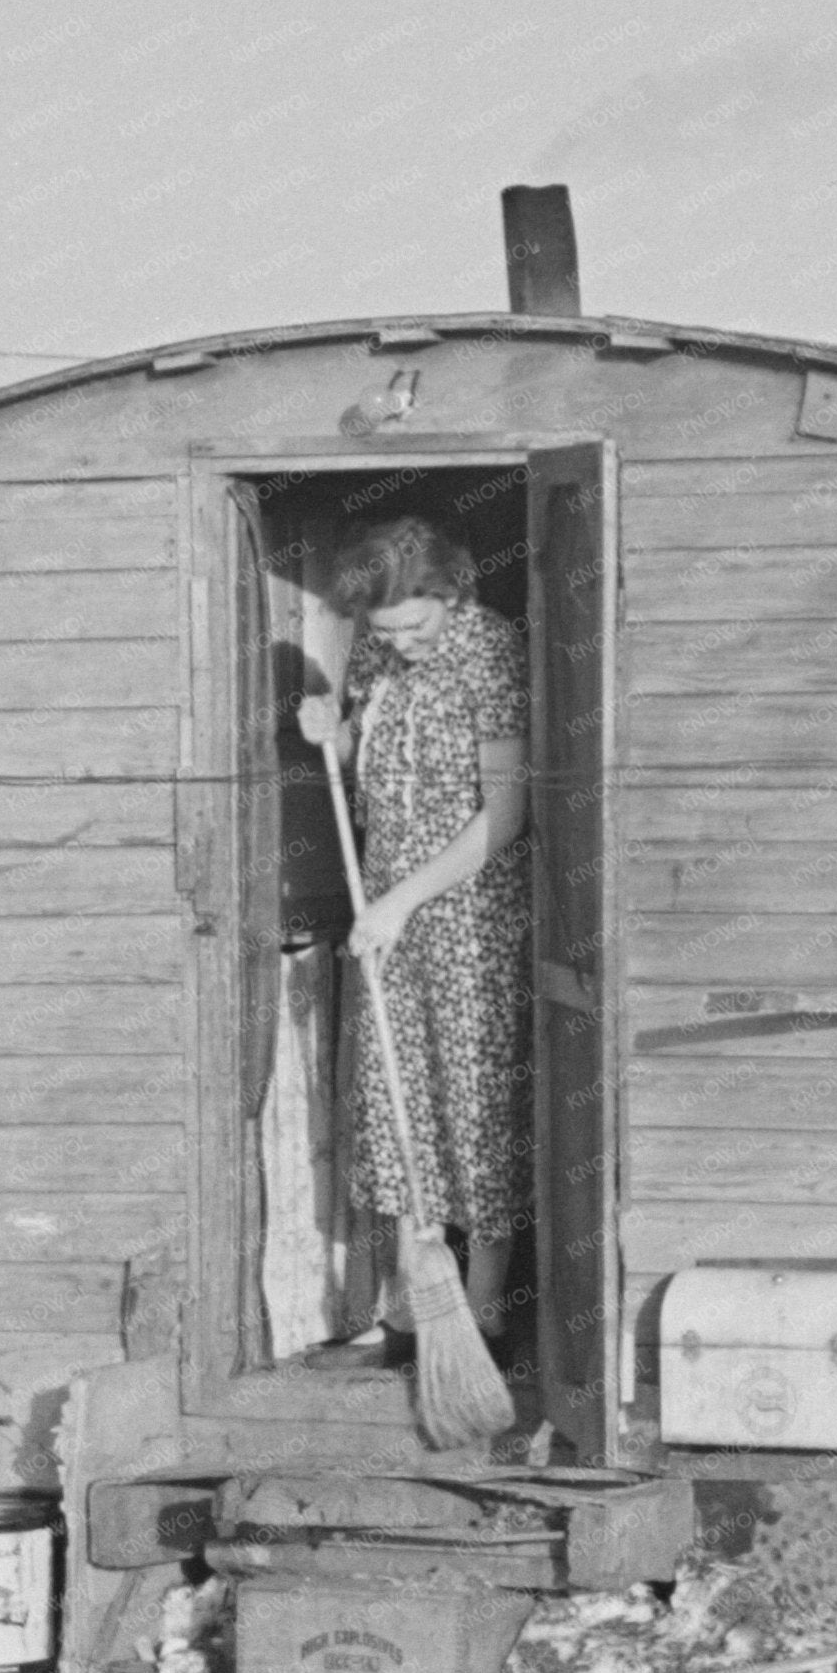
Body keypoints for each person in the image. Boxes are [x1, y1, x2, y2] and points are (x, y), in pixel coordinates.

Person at [297, 516, 531, 1346]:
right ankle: (412, 1301)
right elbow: (370, 741)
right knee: (396, 1097)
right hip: (386, 903)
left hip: (469, 912)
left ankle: (490, 1303)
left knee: (471, 1094)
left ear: (452, 592)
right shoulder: (378, 650)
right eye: (387, 632)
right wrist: (334, 728)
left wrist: (405, 901)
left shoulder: (491, 653)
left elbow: (505, 814)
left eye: (417, 626)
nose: (404, 644)